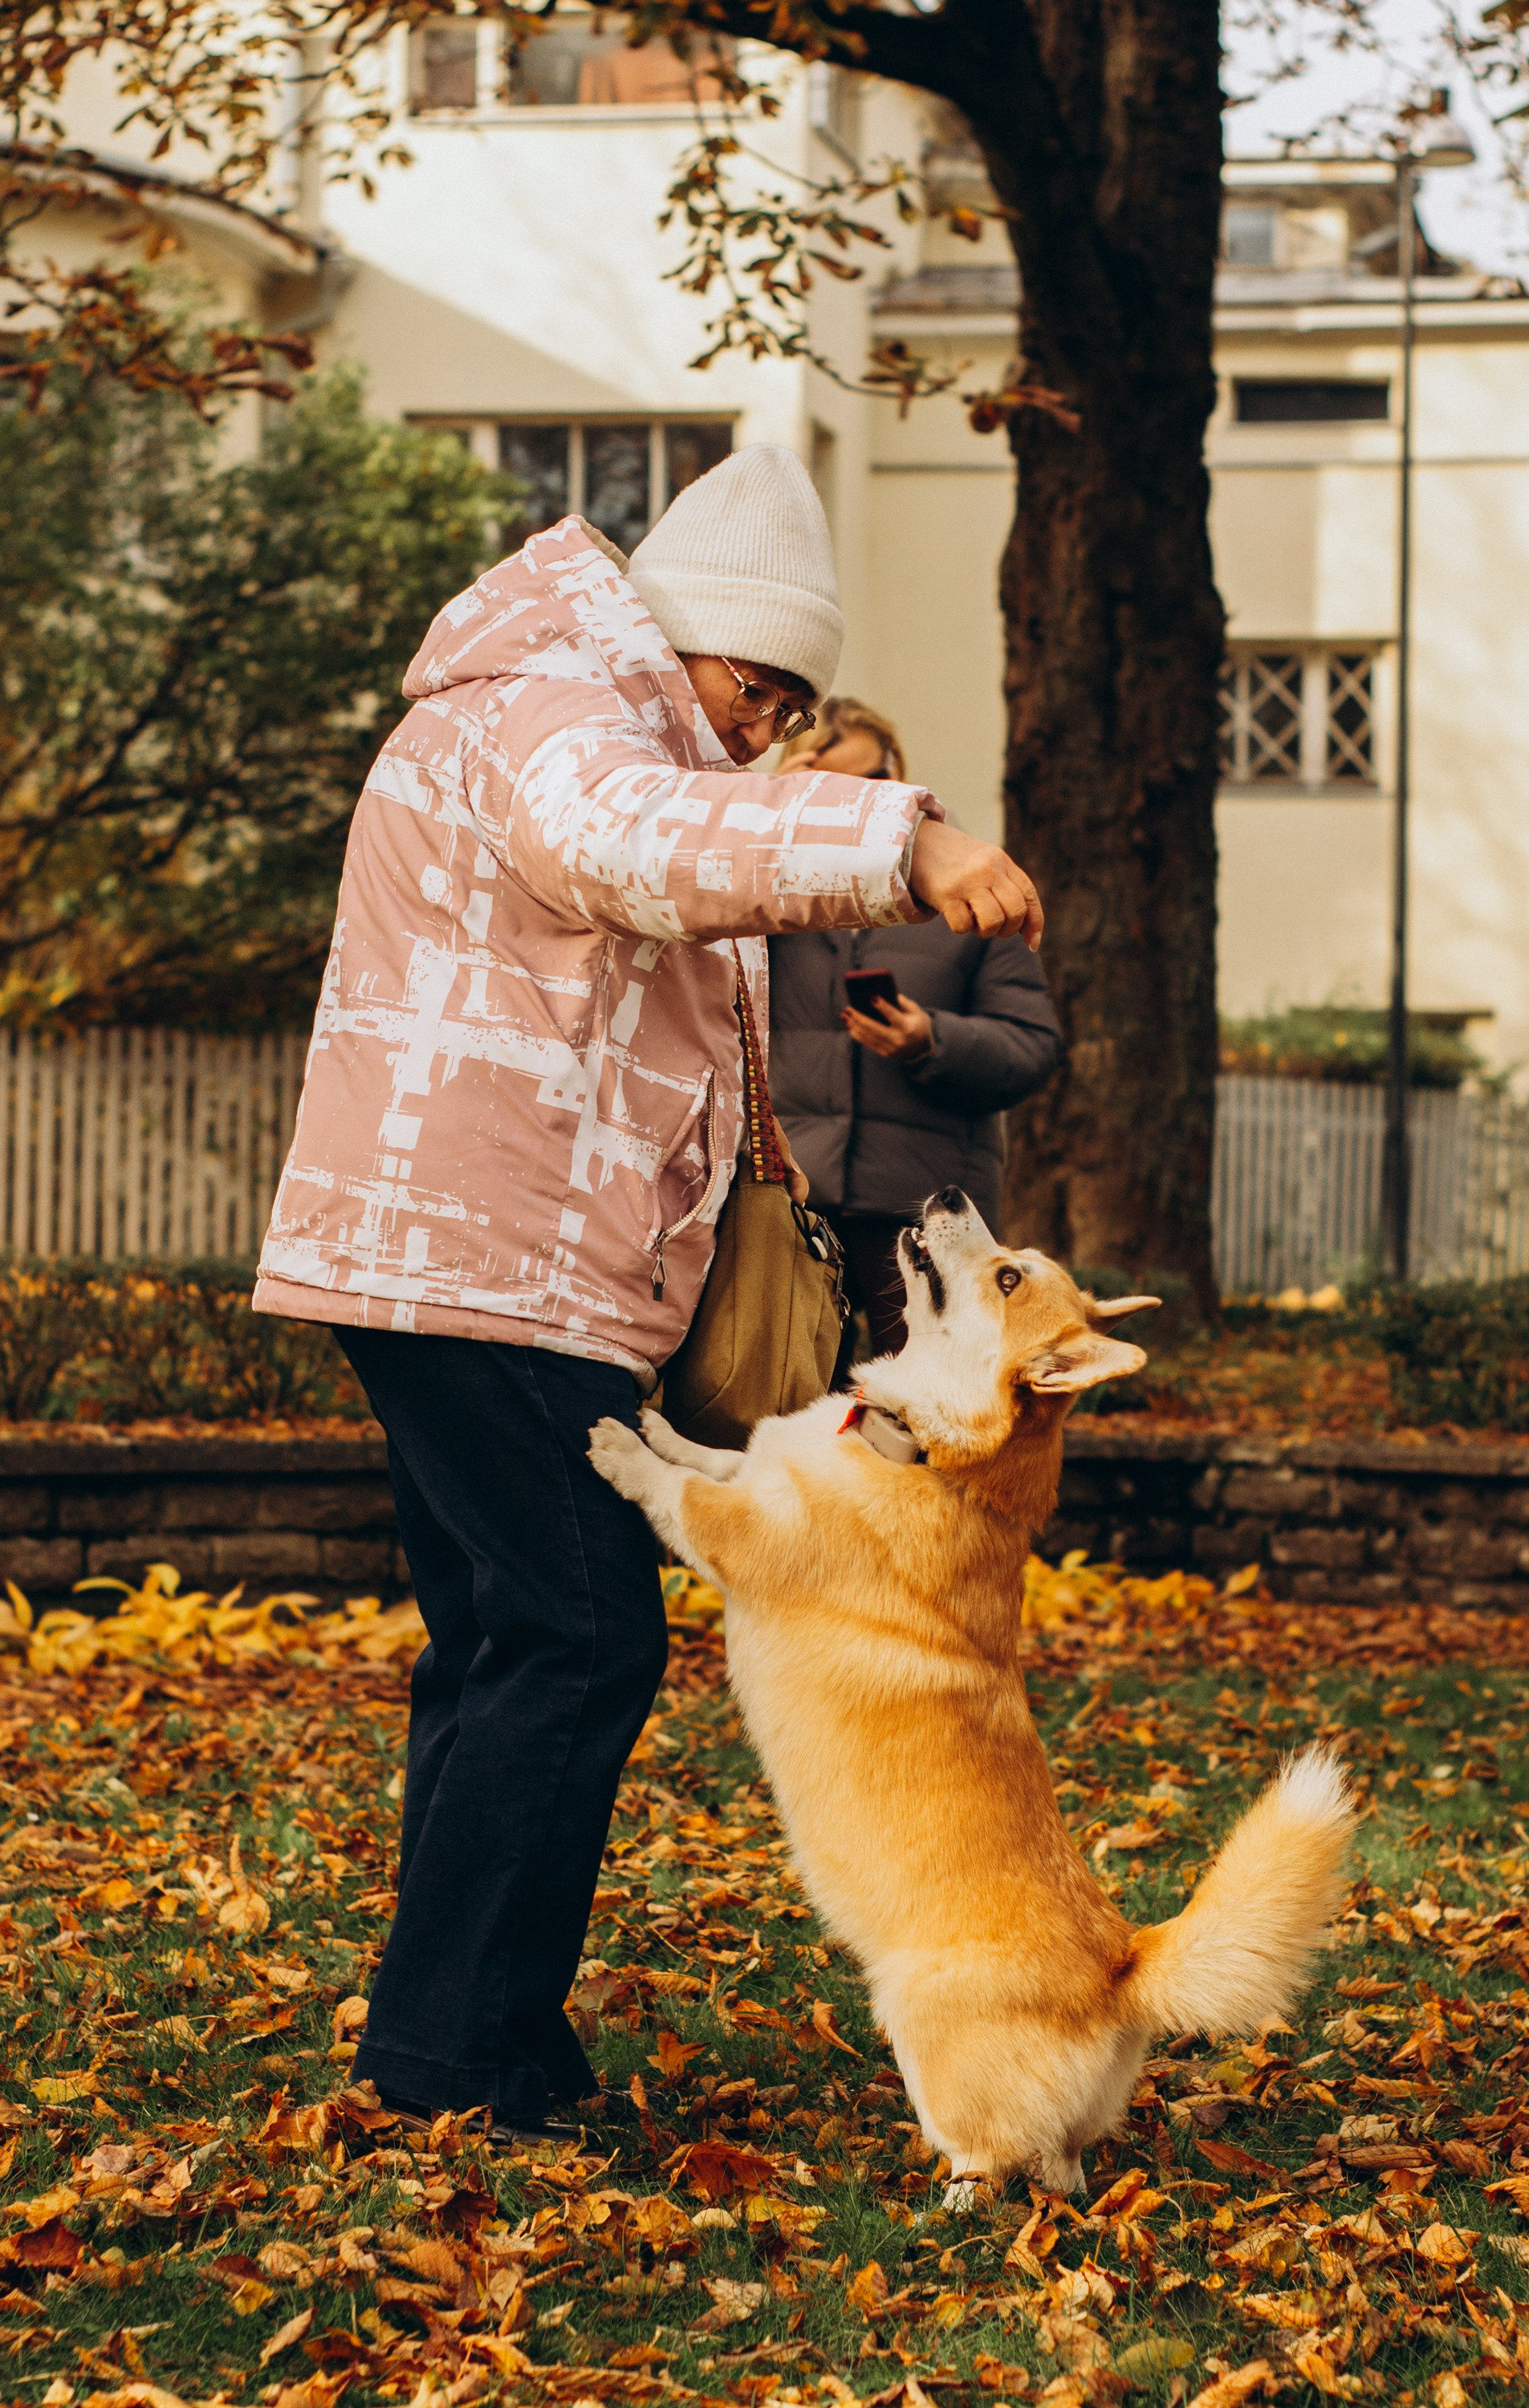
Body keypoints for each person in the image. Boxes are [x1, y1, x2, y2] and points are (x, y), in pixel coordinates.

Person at [251, 445, 1043, 2142]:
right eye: (760, 692)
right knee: (580, 1632)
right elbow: (637, 845)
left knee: (502, 1641)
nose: (763, 732)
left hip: (471, 1251)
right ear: (687, 638)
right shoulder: (559, 704)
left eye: (789, 707)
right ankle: (463, 2057)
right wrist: (904, 833)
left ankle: (450, 2039)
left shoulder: (558, 697)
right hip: (486, 1260)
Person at [768, 697, 1063, 1364]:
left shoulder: (968, 885)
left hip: (930, 1213)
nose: (860, 802)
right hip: (796, 1207)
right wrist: (774, 805)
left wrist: (933, 1041)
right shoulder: (764, 893)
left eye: (875, 781)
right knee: (797, 1418)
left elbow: (1033, 1047)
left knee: (935, 1421)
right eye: (836, 787)